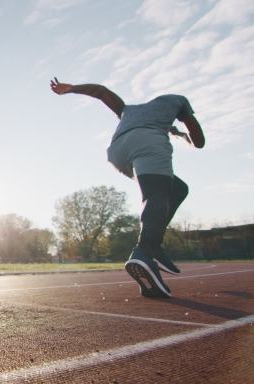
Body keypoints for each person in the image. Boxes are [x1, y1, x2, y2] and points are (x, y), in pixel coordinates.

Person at [50, 77, 205, 298]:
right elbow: (199, 142)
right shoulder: (178, 101)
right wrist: (182, 135)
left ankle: (153, 244)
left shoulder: (128, 111)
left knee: (177, 188)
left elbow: (101, 91)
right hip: (148, 143)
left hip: (118, 152)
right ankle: (145, 250)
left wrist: (71, 89)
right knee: (157, 195)